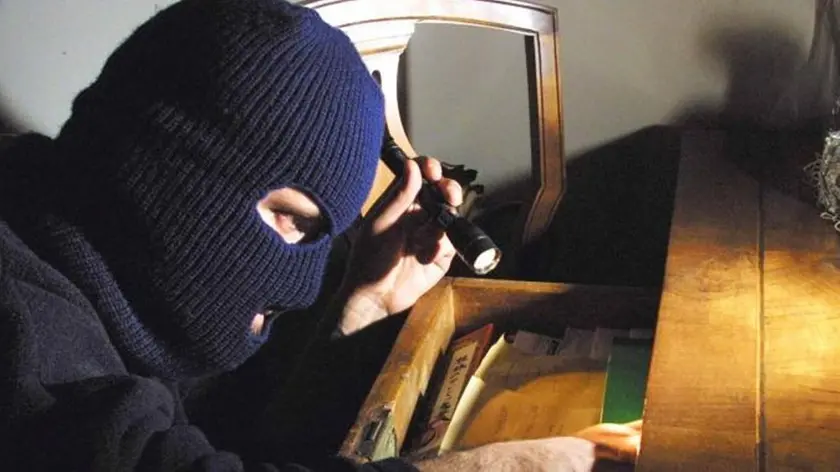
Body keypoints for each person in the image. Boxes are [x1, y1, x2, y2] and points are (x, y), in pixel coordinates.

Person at [0, 0, 640, 470]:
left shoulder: (106, 262)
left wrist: (367, 301)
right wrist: (523, 464)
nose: (299, 287)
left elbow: (230, 437)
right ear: (167, 169)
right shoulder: (25, 338)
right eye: (292, 217)